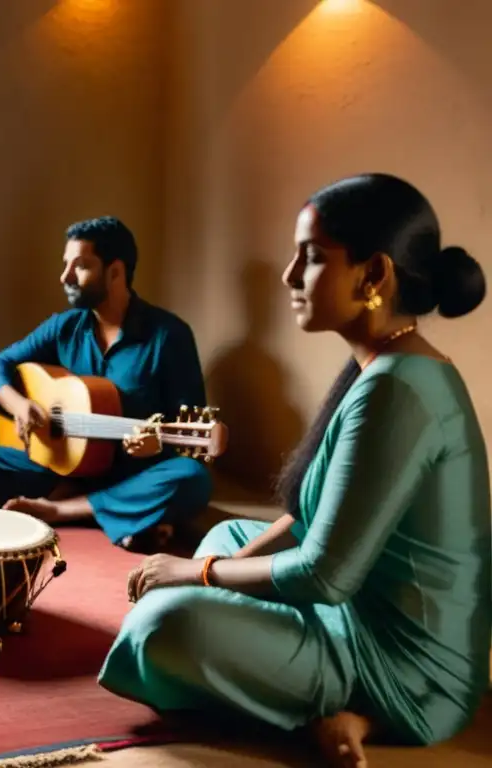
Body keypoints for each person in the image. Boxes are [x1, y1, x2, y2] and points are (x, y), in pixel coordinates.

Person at [98, 174, 491, 767]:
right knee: (231, 535)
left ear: (374, 275)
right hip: (350, 606)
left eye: (309, 258)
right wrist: (210, 567)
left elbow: (325, 577)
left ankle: (360, 711)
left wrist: (195, 573)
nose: (288, 276)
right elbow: (306, 519)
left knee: (166, 627)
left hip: (408, 672)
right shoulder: (386, 367)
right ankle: (308, 694)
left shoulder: (397, 392)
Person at [0, 216, 213, 550]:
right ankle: (114, 512)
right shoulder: (64, 327)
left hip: (133, 473)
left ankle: (62, 509)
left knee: (191, 479)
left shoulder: (169, 336)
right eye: (66, 265)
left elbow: (189, 438)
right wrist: (18, 405)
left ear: (115, 271)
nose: (65, 277)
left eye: (80, 266)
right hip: (69, 469)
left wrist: (158, 446)